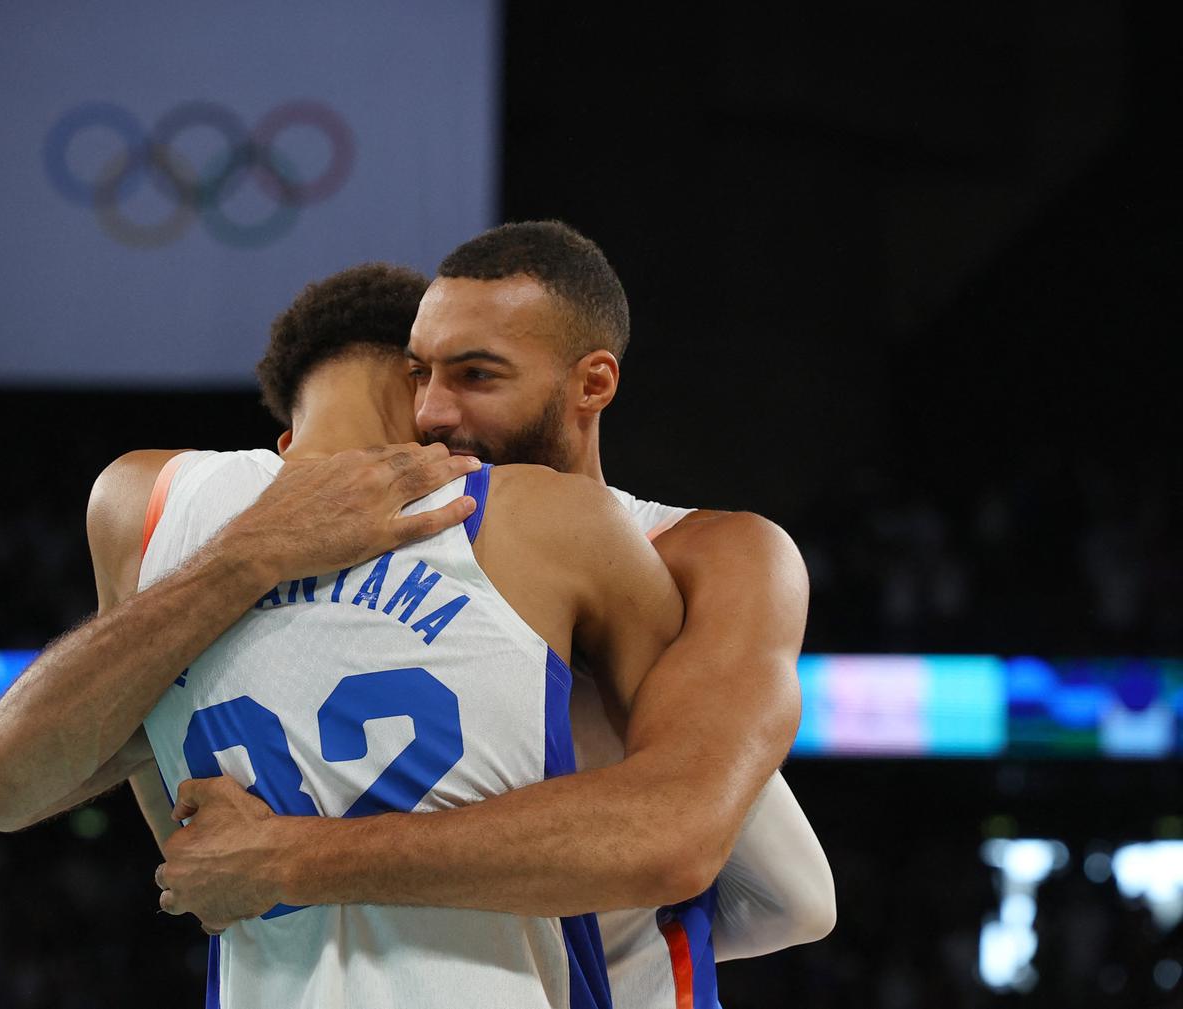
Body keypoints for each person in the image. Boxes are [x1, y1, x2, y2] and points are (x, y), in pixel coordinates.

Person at [155, 223, 832, 1007]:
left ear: (593, 384)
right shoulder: (359, 535)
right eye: (419, 374)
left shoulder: (707, 553)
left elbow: (690, 841)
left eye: (477, 375)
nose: (434, 411)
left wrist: (289, 860)